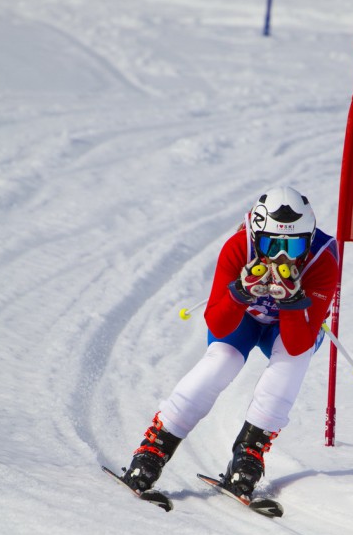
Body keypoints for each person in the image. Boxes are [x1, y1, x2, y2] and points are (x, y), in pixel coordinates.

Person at [121, 186, 339, 499]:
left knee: (291, 362)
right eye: (271, 244)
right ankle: (154, 448)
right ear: (257, 237)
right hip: (245, 320)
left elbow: (297, 344)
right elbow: (218, 323)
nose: (282, 256)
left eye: (294, 246)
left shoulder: (322, 261)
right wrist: (240, 293)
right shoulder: (239, 246)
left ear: (310, 237)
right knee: (223, 360)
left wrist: (292, 302)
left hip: (293, 328)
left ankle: (249, 453)